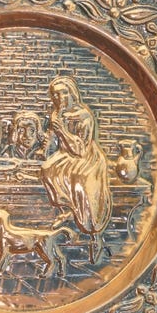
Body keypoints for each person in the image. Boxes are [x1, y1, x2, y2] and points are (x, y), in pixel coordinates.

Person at [41, 76, 112, 263]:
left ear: (72, 93)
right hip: (65, 155)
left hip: (87, 157)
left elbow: (81, 149)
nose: (60, 98)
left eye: (64, 93)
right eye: (55, 95)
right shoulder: (56, 114)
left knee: (80, 180)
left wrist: (62, 130)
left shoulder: (83, 115)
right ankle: (68, 209)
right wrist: (47, 141)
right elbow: (54, 143)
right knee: (47, 169)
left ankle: (93, 231)